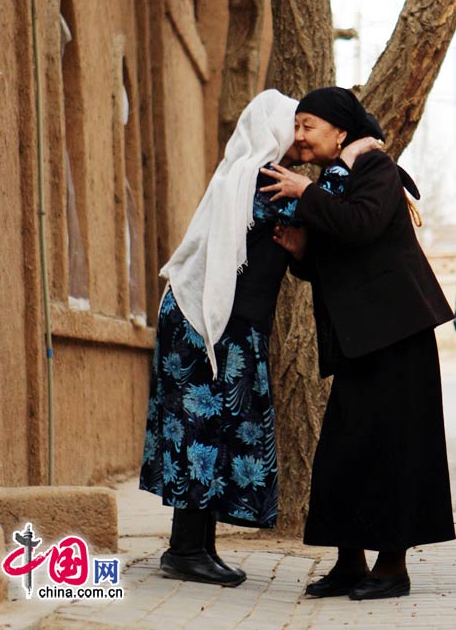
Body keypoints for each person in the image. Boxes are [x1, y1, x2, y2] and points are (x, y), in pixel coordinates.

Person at [139, 89, 379, 588]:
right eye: (294, 126)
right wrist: (351, 155)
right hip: (208, 323)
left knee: (212, 427)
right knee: (202, 429)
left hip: (218, 321)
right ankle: (185, 551)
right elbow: (323, 209)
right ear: (272, 131)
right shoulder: (264, 180)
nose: (299, 137)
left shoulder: (254, 174)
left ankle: (195, 547)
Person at [261, 86, 455, 601]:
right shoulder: (335, 179)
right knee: (343, 452)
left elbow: (362, 226)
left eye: (309, 126)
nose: (300, 136)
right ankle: (350, 564)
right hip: (360, 340)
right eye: (297, 126)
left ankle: (392, 569)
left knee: (397, 449)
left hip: (397, 335)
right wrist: (302, 252)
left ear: (341, 131)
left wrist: (306, 195)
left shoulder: (375, 168)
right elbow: (340, 254)